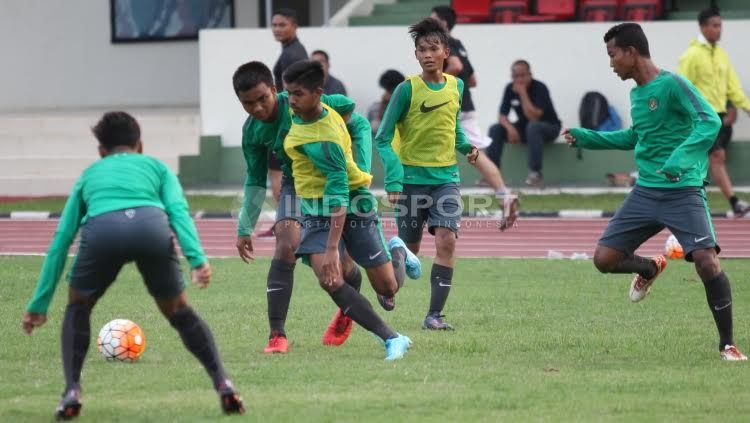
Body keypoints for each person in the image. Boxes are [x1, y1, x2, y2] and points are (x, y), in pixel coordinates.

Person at [20, 112, 245, 420]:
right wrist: (197, 260)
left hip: (103, 232)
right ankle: (223, 382)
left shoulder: (89, 174)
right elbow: (178, 212)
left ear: (100, 150)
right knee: (179, 310)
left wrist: (39, 304)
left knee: (78, 306)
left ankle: (72, 389)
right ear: (140, 145)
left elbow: (62, 239)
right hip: (151, 228)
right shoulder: (157, 167)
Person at [563, 23, 746, 361]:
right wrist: (589, 137)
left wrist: (681, 157)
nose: (611, 63)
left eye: (612, 54)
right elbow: (635, 137)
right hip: (646, 192)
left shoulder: (674, 84)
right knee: (603, 260)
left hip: (684, 189)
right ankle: (649, 268)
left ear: (631, 53)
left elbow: (710, 121)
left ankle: (727, 344)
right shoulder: (636, 94)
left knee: (706, 261)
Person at [232, 61, 383, 353]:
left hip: (333, 181)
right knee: (285, 244)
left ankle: (349, 301)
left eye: (263, 99)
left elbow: (360, 123)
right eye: (247, 104)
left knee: (344, 266)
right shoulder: (252, 131)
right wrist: (244, 227)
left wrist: (360, 170)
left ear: (275, 90)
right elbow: (254, 179)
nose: (258, 109)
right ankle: (277, 334)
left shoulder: (303, 100)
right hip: (295, 184)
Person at [282, 60, 414, 360]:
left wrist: (332, 248)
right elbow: (347, 104)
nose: (290, 100)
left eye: (297, 94)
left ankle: (398, 251)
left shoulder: (324, 140)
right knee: (330, 279)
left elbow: (339, 199)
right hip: (315, 210)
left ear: (317, 93)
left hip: (351, 203)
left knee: (388, 289)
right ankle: (392, 338)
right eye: (288, 93)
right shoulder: (307, 105)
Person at [376, 18, 496, 331]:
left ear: (446, 51)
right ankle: (386, 287)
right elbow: (383, 137)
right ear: (416, 56)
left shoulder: (456, 86)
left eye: (433, 48)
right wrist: (393, 180)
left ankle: (434, 316)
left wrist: (468, 150)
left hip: (446, 180)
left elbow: (453, 129)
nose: (427, 54)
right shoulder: (406, 90)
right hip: (411, 184)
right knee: (410, 249)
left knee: (447, 241)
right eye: (421, 50)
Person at [430, 5, 515, 202]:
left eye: (432, 19)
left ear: (443, 23)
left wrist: (431, 85)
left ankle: (428, 198)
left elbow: (456, 66)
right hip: (465, 105)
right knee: (476, 154)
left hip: (446, 106)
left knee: (424, 147)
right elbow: (473, 80)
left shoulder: (442, 42)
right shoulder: (458, 44)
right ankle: (504, 194)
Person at [678, 6, 750, 217]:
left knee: (705, 162)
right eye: (715, 25)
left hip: (720, 118)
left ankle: (688, 202)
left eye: (721, 25)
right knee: (717, 156)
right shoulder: (691, 55)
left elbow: (733, 87)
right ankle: (735, 202)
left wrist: (746, 107)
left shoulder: (721, 55)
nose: (719, 30)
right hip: (701, 118)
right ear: (702, 27)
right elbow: (682, 88)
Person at [263, 8, 309, 236]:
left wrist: (286, 124)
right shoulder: (292, 51)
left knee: (282, 182)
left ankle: (291, 223)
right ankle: (288, 222)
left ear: (294, 26)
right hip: (288, 124)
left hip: (286, 126)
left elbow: (296, 91)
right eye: (274, 25)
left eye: (282, 25)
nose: (277, 29)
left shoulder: (293, 55)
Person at [487, 60, 561, 188]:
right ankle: (492, 175)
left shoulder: (539, 88)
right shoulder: (510, 88)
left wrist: (522, 93)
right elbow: (502, 116)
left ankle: (535, 174)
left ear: (530, 75)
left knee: (533, 127)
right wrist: (510, 128)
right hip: (526, 128)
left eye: (523, 75)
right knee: (495, 129)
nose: (519, 79)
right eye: (516, 76)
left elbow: (533, 117)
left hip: (549, 127)